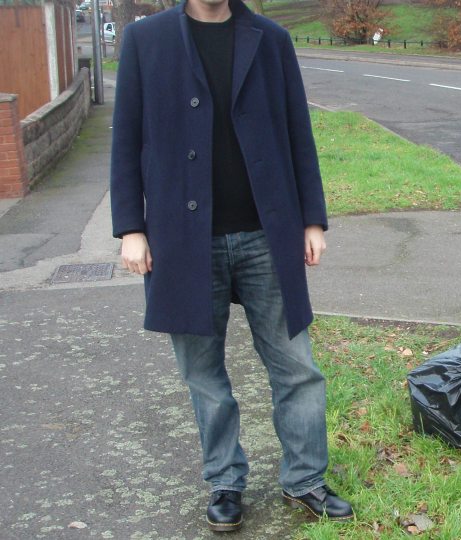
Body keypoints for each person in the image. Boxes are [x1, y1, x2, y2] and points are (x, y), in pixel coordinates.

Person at [109, 0, 354, 531]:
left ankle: (306, 479)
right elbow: (125, 139)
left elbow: (297, 132)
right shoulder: (144, 40)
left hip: (268, 233)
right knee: (203, 376)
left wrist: (312, 219)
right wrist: (131, 228)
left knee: (297, 368)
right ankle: (225, 480)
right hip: (181, 241)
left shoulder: (271, 39)